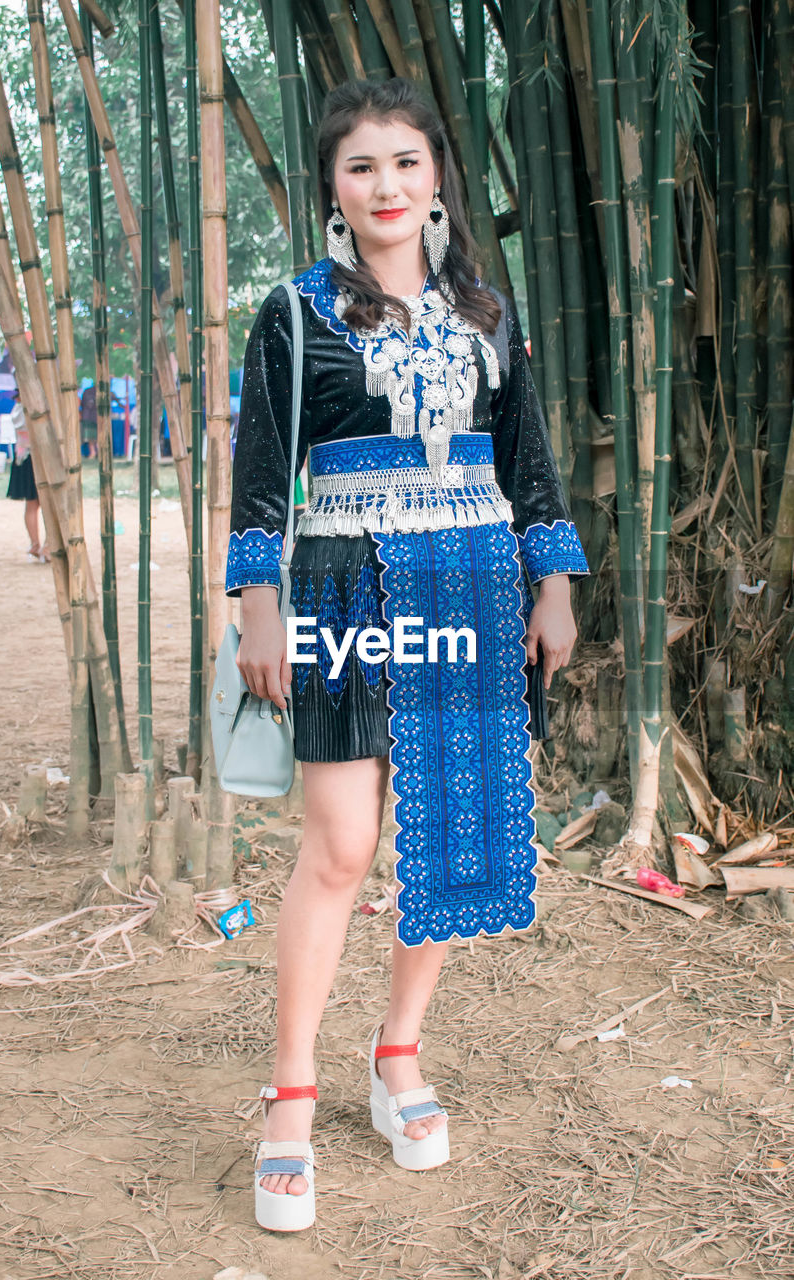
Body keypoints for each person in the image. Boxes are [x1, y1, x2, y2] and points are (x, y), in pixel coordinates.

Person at [225, 78, 589, 1233]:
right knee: (339, 844)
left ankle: (397, 1055)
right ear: (332, 189)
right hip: (340, 581)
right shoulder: (293, 312)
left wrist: (555, 581)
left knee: (443, 821)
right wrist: (256, 605)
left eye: (404, 162)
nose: (385, 185)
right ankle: (289, 1097)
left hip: (476, 583)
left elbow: (527, 451)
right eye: (359, 167)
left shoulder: (487, 307)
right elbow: (258, 468)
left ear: (437, 175)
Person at [5, 389, 46, 562]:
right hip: (33, 459)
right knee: (39, 502)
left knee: (33, 504)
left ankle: (36, 544)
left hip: (25, 459)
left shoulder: (17, 411)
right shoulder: (26, 411)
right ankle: (41, 544)